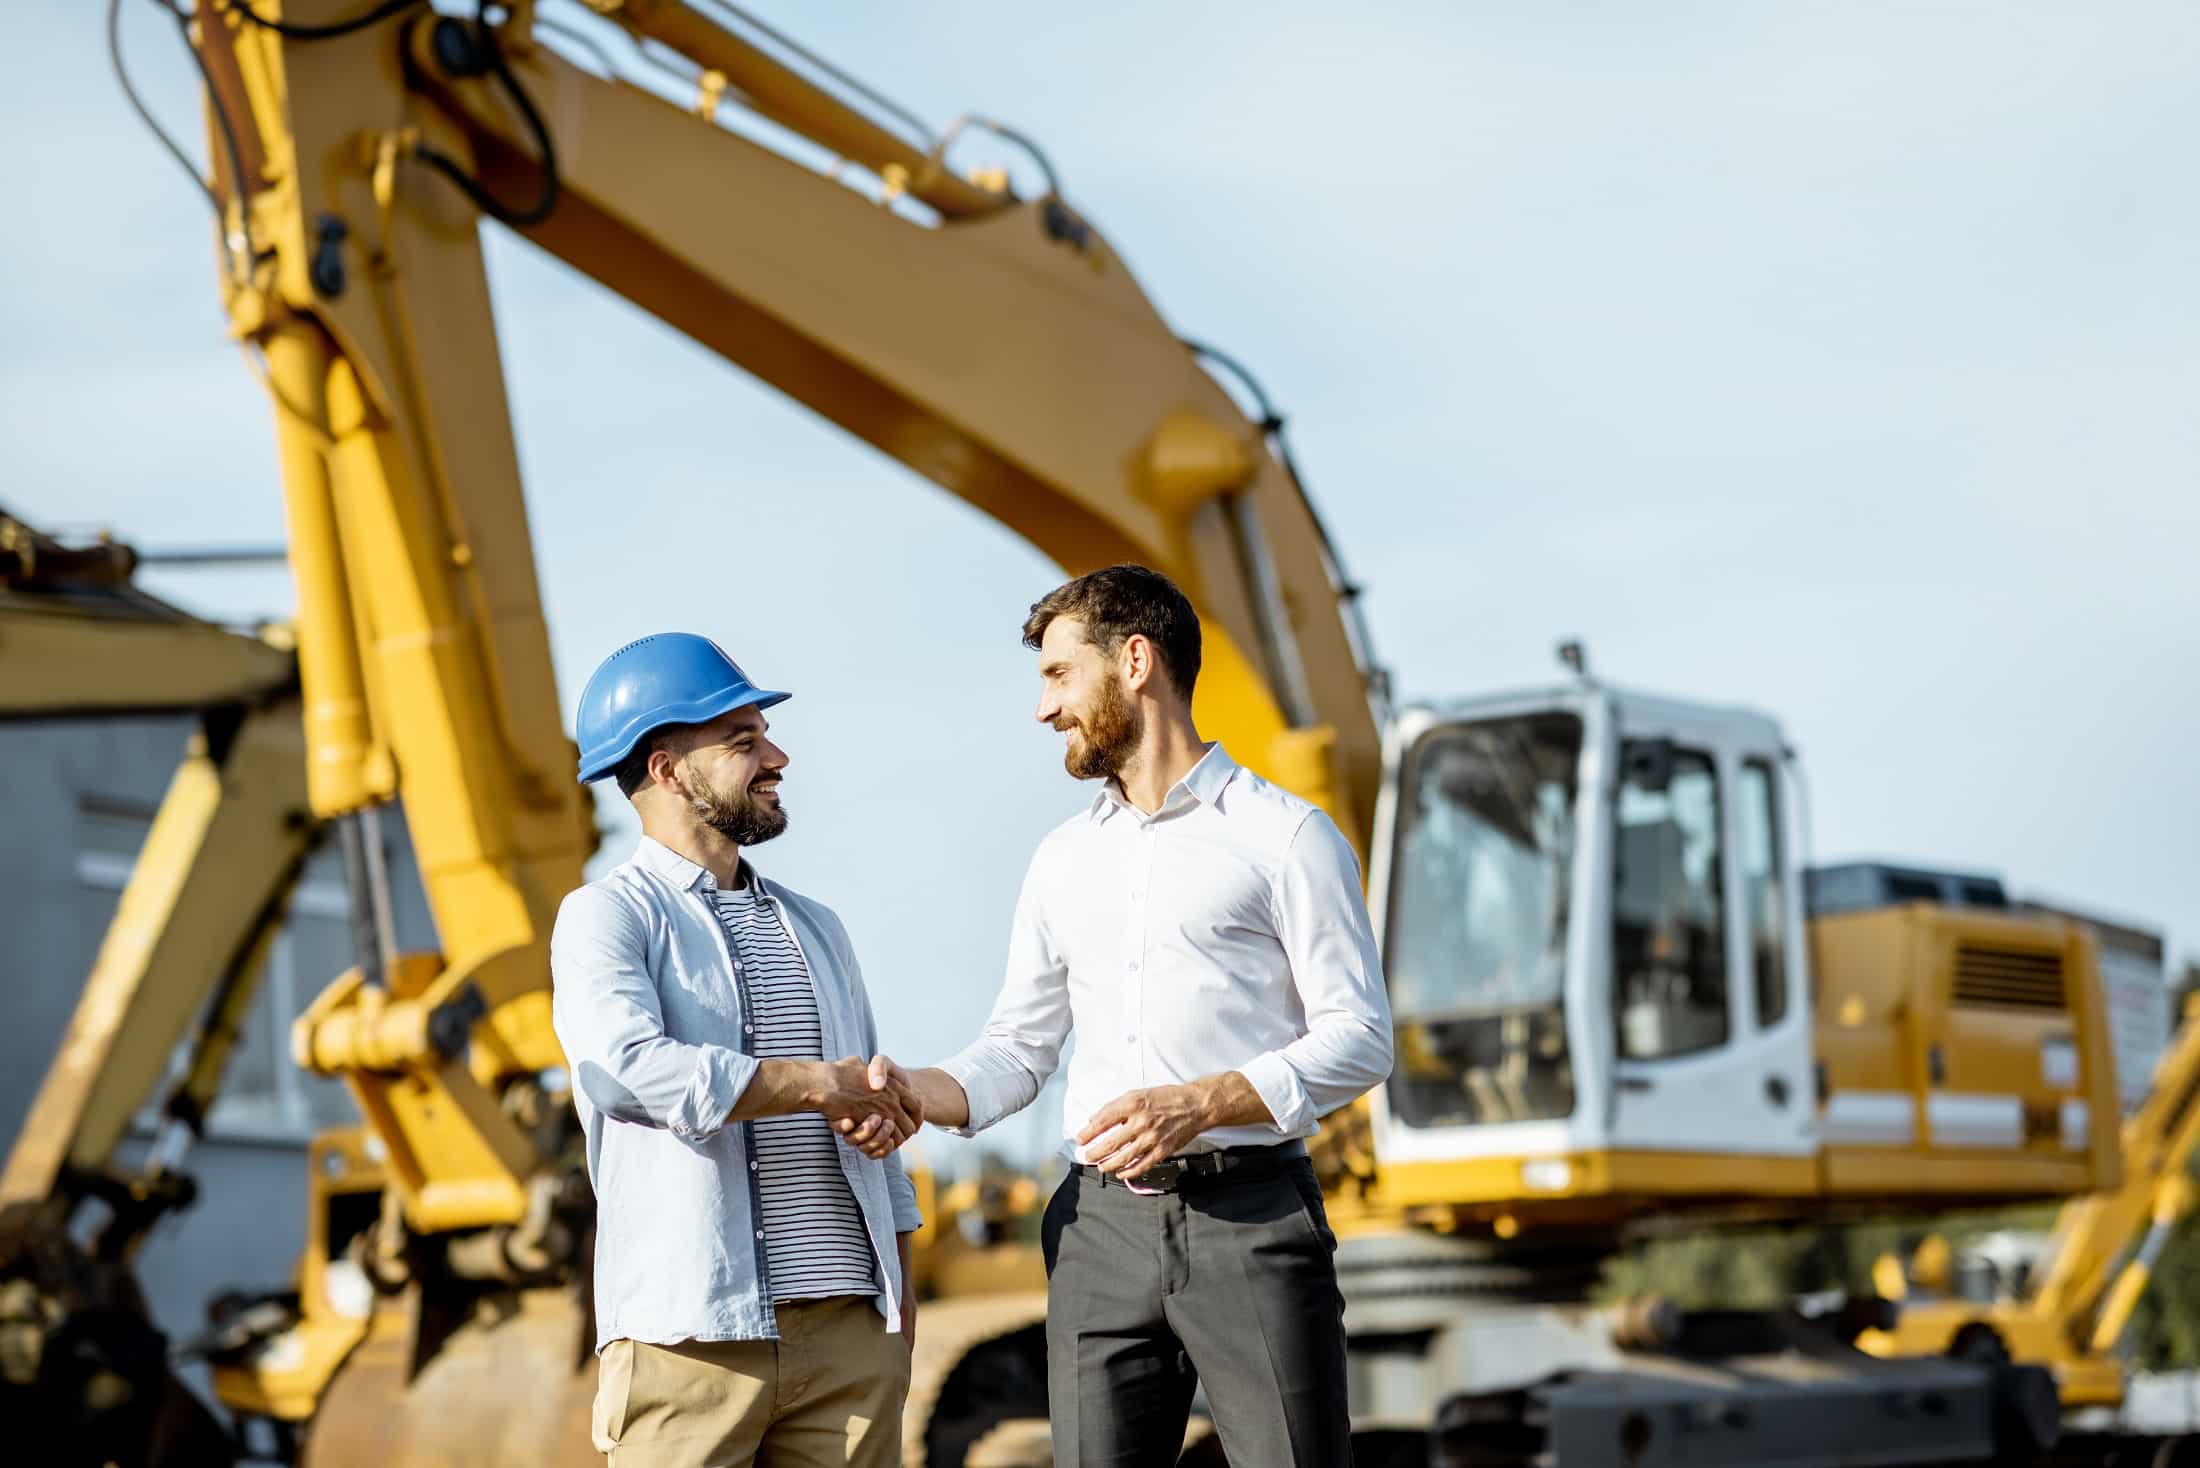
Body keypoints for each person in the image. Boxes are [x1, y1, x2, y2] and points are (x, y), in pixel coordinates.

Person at [888, 565, 1395, 1466]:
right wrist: (921, 1091)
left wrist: (1200, 1104)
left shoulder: (1287, 837)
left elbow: (1361, 1038)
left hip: (1252, 1218)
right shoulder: (1061, 860)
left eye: (1057, 675)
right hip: (1098, 1231)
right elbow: (1019, 1045)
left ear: (1134, 661)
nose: (1044, 710)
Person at [550, 632, 925, 1468]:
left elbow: (877, 1135)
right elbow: (627, 1072)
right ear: (666, 769)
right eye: (745, 742)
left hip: (849, 1341)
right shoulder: (607, 917)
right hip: (691, 1343)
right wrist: (815, 1085)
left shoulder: (818, 929)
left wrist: (897, 1330)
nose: (778, 757)